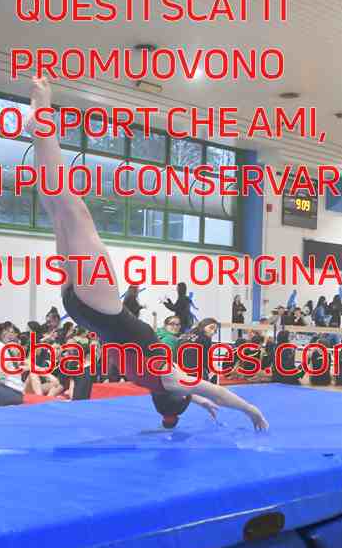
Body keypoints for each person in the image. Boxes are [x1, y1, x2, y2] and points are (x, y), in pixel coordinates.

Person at [25, 75, 268, 431]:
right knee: (58, 210)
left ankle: (42, 121)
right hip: (80, 308)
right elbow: (191, 392)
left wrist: (251, 410)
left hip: (104, 307)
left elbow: (214, 391)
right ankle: (39, 131)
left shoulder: (168, 377)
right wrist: (195, 402)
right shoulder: (152, 381)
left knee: (73, 210)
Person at [177, 318, 219, 382]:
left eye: (215, 331)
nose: (212, 332)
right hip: (193, 372)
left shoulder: (187, 333)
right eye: (211, 328)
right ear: (203, 325)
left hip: (178, 370)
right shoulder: (205, 338)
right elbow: (205, 359)